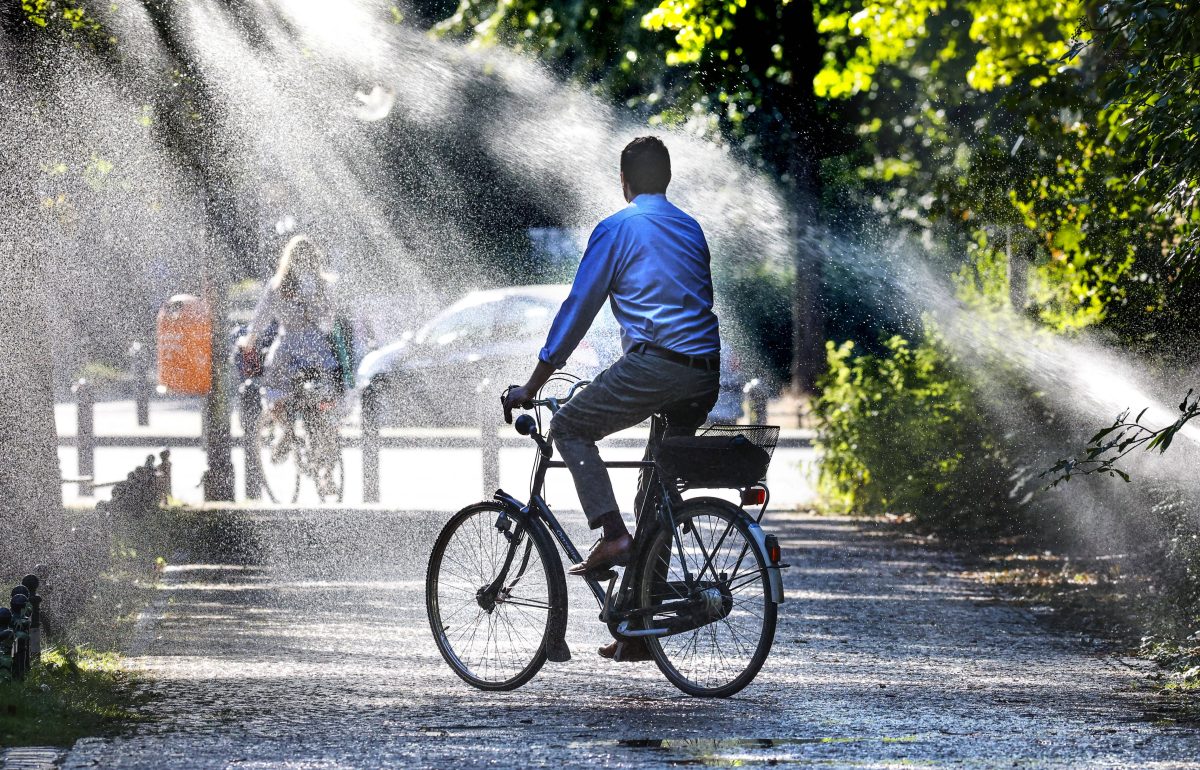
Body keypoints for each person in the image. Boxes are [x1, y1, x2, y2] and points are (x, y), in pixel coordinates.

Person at [502, 136, 721, 660]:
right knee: (657, 489)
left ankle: (612, 535)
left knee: (570, 428)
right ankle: (639, 631)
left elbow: (579, 308)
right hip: (703, 373)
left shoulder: (616, 228)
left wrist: (533, 384)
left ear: (624, 182)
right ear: (666, 179)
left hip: (657, 367)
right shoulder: (690, 227)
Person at [238, 234, 342, 415]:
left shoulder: (278, 284)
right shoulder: (323, 284)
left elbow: (261, 316)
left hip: (286, 344)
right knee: (328, 379)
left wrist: (250, 339)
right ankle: (330, 420)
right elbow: (330, 318)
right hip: (315, 344)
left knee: (273, 384)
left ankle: (283, 428)